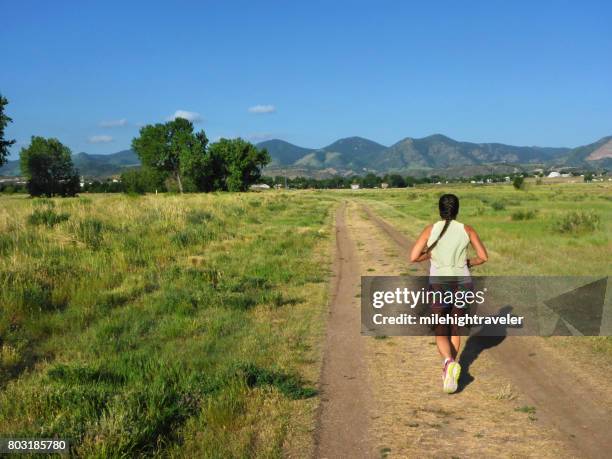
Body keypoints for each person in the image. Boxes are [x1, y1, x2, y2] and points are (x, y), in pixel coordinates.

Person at [409, 194, 488, 393]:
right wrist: (466, 263)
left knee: (440, 329)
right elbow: (483, 257)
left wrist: (430, 254)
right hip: (463, 283)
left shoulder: (430, 229)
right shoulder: (467, 229)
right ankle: (451, 371)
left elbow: (413, 257)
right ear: (457, 209)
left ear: (439, 209)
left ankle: (448, 362)